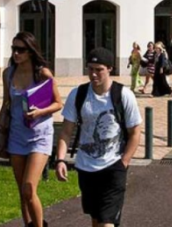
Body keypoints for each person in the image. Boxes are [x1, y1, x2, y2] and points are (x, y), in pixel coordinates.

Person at [56, 48, 143, 227]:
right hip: (86, 167)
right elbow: (66, 131)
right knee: (96, 220)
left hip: (113, 167)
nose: (93, 74)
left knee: (106, 222)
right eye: (90, 69)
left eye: (99, 69)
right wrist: (60, 160)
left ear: (109, 68)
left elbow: (135, 132)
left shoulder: (123, 95)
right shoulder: (78, 94)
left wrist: (123, 162)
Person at [5, 32, 63, 227]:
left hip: (40, 136)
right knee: (22, 192)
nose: (16, 54)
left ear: (30, 52)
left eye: (20, 50)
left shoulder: (43, 74)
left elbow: (58, 103)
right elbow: (7, 104)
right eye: (14, 49)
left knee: (29, 188)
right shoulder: (9, 73)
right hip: (16, 135)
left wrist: (40, 112)